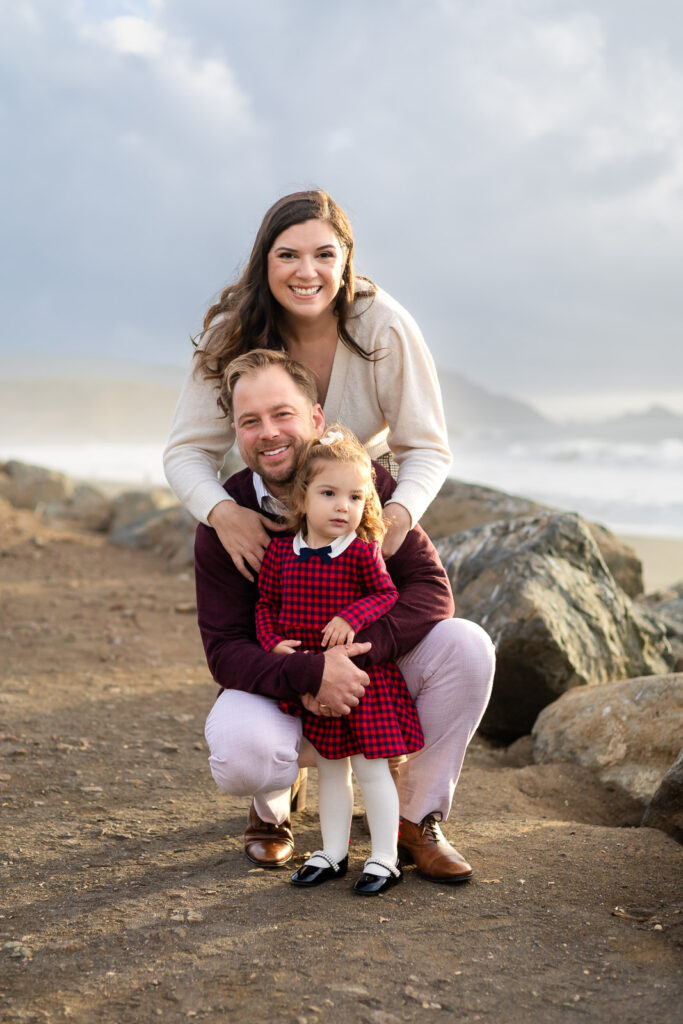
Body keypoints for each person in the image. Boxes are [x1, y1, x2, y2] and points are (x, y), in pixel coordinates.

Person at [198, 349, 496, 883]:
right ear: (236, 433)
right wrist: (310, 673)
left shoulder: (360, 485)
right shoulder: (227, 515)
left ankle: (414, 819)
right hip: (283, 680)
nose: (268, 432)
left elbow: (429, 591)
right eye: (250, 421)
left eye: (282, 414)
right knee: (242, 752)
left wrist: (358, 653)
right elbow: (224, 649)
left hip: (367, 672)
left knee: (468, 645)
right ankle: (274, 805)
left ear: (315, 418)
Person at [164, 188, 450, 580]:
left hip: (362, 502)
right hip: (272, 503)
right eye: (287, 255)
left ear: (345, 259)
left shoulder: (385, 326)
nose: (306, 271)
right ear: (264, 260)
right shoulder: (230, 333)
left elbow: (427, 448)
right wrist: (225, 514)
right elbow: (187, 450)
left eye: (324, 255)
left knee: (412, 614)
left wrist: (394, 521)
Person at [256, 425, 426, 895]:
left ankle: (385, 859)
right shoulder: (281, 554)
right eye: (329, 493)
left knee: (372, 769)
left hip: (362, 683)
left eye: (354, 497)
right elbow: (265, 605)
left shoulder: (360, 552)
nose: (341, 507)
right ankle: (331, 853)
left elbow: (386, 592)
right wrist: (272, 641)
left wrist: (351, 617)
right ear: (302, 498)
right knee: (332, 768)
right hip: (314, 679)